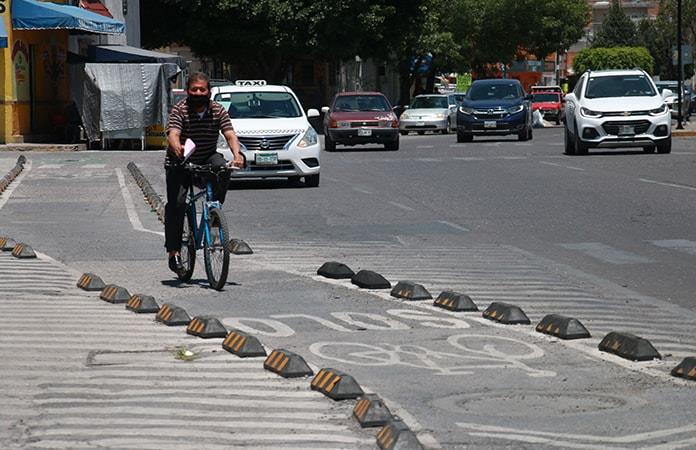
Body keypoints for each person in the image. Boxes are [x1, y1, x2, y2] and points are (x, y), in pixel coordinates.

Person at [165, 72, 244, 275]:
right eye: (194, 90)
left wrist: (237, 155)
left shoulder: (218, 110)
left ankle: (214, 209)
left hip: (207, 156)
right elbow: (173, 134)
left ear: (209, 91)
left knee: (222, 167)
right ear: (188, 91)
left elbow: (230, 134)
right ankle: (173, 251)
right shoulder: (180, 110)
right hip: (180, 160)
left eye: (202, 89)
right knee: (178, 203)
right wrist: (178, 149)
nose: (198, 93)